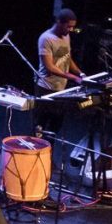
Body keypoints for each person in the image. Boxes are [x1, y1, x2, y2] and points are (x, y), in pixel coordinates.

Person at [33, 9, 84, 139]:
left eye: (73, 27)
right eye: (69, 26)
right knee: (40, 128)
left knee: (55, 128)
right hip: (45, 88)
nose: (71, 30)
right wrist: (73, 77)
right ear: (59, 22)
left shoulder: (66, 36)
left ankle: (48, 157)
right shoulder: (46, 39)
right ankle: (35, 157)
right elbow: (49, 67)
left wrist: (80, 73)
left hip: (60, 89)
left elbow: (68, 58)